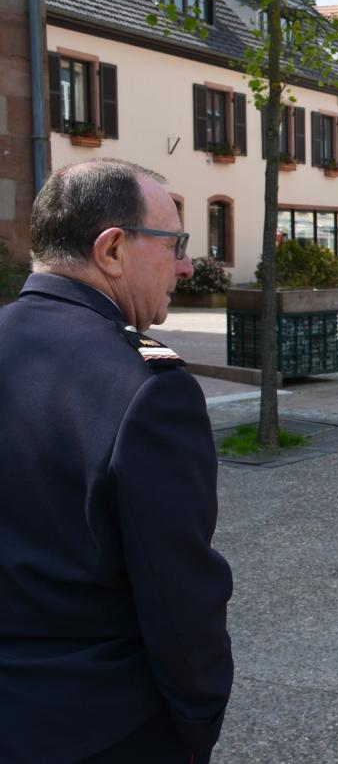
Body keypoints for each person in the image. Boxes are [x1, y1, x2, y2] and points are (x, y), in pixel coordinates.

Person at [0, 158, 234, 763]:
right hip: (97, 723)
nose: (184, 264)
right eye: (174, 242)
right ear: (112, 250)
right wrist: (197, 720)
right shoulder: (149, 389)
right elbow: (179, 593)